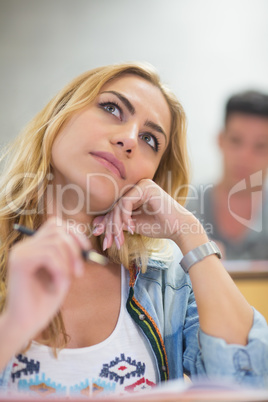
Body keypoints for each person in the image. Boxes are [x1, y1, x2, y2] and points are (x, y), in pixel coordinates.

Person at [0, 63, 267, 398]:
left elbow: (250, 382)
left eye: (149, 139)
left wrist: (189, 231)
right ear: (61, 114)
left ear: (152, 175)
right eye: (111, 108)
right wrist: (11, 327)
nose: (128, 140)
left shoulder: (167, 279)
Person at [186, 90, 268, 260]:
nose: (245, 156)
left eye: (260, 146)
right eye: (236, 140)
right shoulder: (183, 206)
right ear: (220, 140)